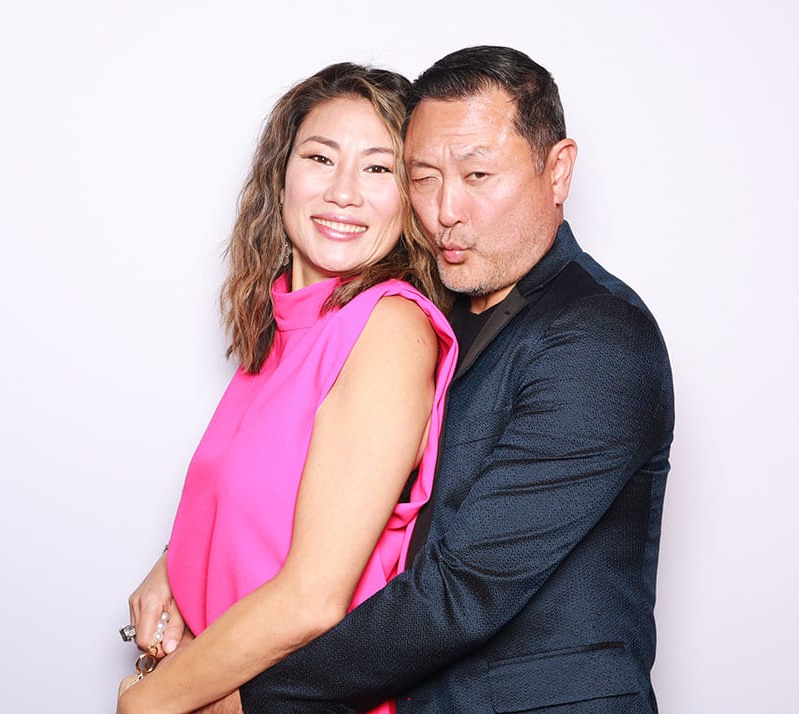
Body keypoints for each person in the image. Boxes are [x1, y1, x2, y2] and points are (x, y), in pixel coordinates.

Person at [235, 46, 675, 713]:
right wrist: (175, 568)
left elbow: (462, 591)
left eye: (477, 174)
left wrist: (245, 699)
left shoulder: (599, 339)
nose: (445, 210)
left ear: (557, 171)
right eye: (423, 177)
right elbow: (294, 460)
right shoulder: (418, 315)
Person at [116, 63, 458, 714]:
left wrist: (146, 705)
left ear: (410, 196)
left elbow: (311, 599)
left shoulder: (387, 329)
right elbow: (261, 494)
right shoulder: (283, 321)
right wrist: (175, 560)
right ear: (282, 173)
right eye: (321, 157)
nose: (344, 193)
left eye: (378, 168)